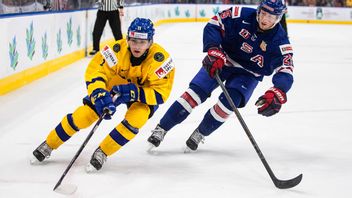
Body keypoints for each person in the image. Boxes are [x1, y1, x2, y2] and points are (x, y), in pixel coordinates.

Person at [31, 18, 175, 172]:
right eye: (133, 41)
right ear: (127, 39)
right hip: (115, 84)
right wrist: (99, 92)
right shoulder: (115, 50)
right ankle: (49, 144)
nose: (137, 46)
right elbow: (96, 72)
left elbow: (160, 94)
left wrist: (134, 92)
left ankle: (103, 152)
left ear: (150, 42)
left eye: (142, 42)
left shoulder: (162, 60)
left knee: (137, 118)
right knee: (84, 115)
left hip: (142, 93)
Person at [147, 0, 294, 151]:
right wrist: (213, 49)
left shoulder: (281, 42)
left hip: (248, 74)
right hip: (222, 59)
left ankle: (200, 132)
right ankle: (162, 128)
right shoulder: (240, 14)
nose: (265, 20)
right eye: (263, 13)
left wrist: (278, 91)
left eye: (271, 17)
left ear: (279, 18)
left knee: (227, 105)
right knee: (194, 94)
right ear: (259, 10)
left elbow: (286, 69)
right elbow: (215, 23)